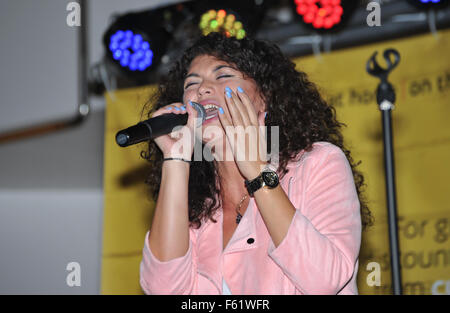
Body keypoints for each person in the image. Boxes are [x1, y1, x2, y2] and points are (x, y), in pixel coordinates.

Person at [139, 32, 372, 295]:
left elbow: (323, 281)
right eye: (191, 84)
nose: (201, 88)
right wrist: (176, 159)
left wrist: (257, 170)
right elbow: (163, 290)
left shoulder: (318, 162)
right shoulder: (197, 203)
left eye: (223, 75)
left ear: (265, 96)